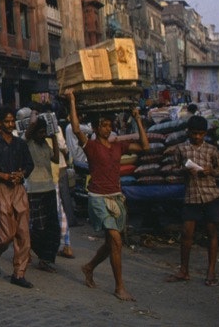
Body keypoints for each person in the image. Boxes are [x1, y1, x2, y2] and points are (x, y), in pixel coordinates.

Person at [67, 91, 149, 302]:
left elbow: (145, 146)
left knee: (111, 243)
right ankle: (119, 287)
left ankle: (89, 266)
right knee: (116, 239)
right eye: (103, 125)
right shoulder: (91, 146)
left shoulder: (118, 146)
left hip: (116, 197)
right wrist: (73, 101)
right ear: (95, 128)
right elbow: (76, 129)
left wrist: (138, 119)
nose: (107, 128)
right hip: (98, 197)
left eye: (109, 125)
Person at [165, 115, 219, 286]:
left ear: (205, 133)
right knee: (186, 234)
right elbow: (173, 168)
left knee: (212, 234)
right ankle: (184, 270)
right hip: (191, 195)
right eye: (194, 133)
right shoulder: (181, 149)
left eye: (200, 134)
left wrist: (211, 171)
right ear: (188, 132)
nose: (197, 137)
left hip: (210, 195)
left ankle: (211, 272)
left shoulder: (212, 150)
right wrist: (185, 171)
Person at [0, 106, 34, 289]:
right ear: (0, 122)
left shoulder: (20, 143)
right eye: (7, 121)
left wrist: (22, 173)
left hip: (18, 188)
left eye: (12, 121)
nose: (10, 124)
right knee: (6, 234)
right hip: (0, 187)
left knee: (23, 233)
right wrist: (3, 175)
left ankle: (19, 273)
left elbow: (29, 164)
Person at [24, 117, 60, 273]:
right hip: (34, 190)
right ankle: (28, 247)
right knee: (38, 227)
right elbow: (28, 132)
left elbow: (56, 159)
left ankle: (46, 259)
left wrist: (54, 138)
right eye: (40, 132)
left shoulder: (45, 145)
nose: (42, 134)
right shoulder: (29, 144)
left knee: (53, 227)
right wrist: (34, 116)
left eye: (44, 132)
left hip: (49, 189)